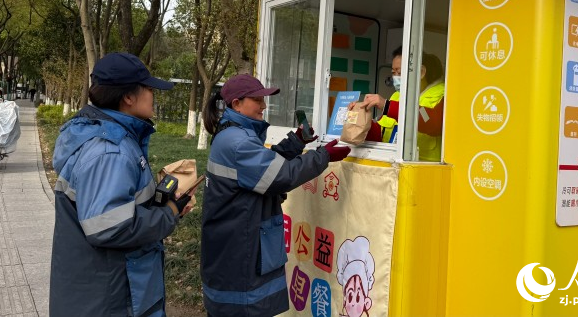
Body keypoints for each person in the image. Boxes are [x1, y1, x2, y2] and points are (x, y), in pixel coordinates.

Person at [49, 52, 190, 317]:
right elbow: (109, 227)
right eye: (149, 89)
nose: (153, 95)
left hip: (101, 286)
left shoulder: (106, 137)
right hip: (112, 295)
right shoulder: (111, 152)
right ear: (128, 97)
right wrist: (169, 212)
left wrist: (157, 199)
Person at [200, 74, 351, 316]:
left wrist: (297, 141)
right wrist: (322, 156)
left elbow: (264, 167)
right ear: (237, 103)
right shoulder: (238, 142)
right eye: (257, 99)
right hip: (240, 250)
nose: (263, 105)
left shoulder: (233, 134)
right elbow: (280, 175)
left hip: (233, 244)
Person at [350, 46, 445, 161]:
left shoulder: (442, 94)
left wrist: (387, 106)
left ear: (421, 72)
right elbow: (381, 135)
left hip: (424, 170)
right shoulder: (396, 96)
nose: (395, 78)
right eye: (393, 73)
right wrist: (361, 118)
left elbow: (430, 121)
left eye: (399, 72)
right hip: (393, 165)